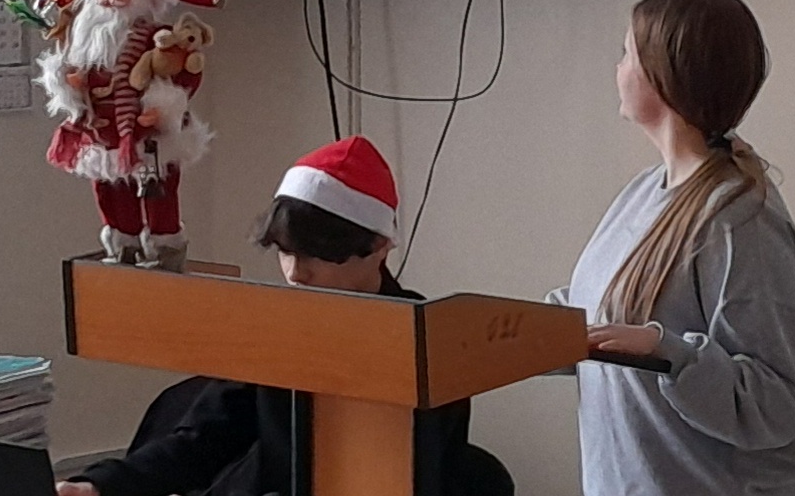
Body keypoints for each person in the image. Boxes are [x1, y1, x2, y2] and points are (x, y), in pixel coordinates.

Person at [60, 137, 515, 496]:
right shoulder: (280, 324)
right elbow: (205, 437)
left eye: (316, 255)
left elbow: (413, 470)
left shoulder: (430, 336)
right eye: (285, 252)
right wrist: (101, 484)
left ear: (379, 247)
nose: (296, 273)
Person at [549, 0, 795, 496]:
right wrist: (510, 333)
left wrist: (670, 355)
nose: (617, 68)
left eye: (626, 53)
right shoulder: (642, 193)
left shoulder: (740, 220)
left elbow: (778, 402)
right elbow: (601, 314)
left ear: (663, 75)